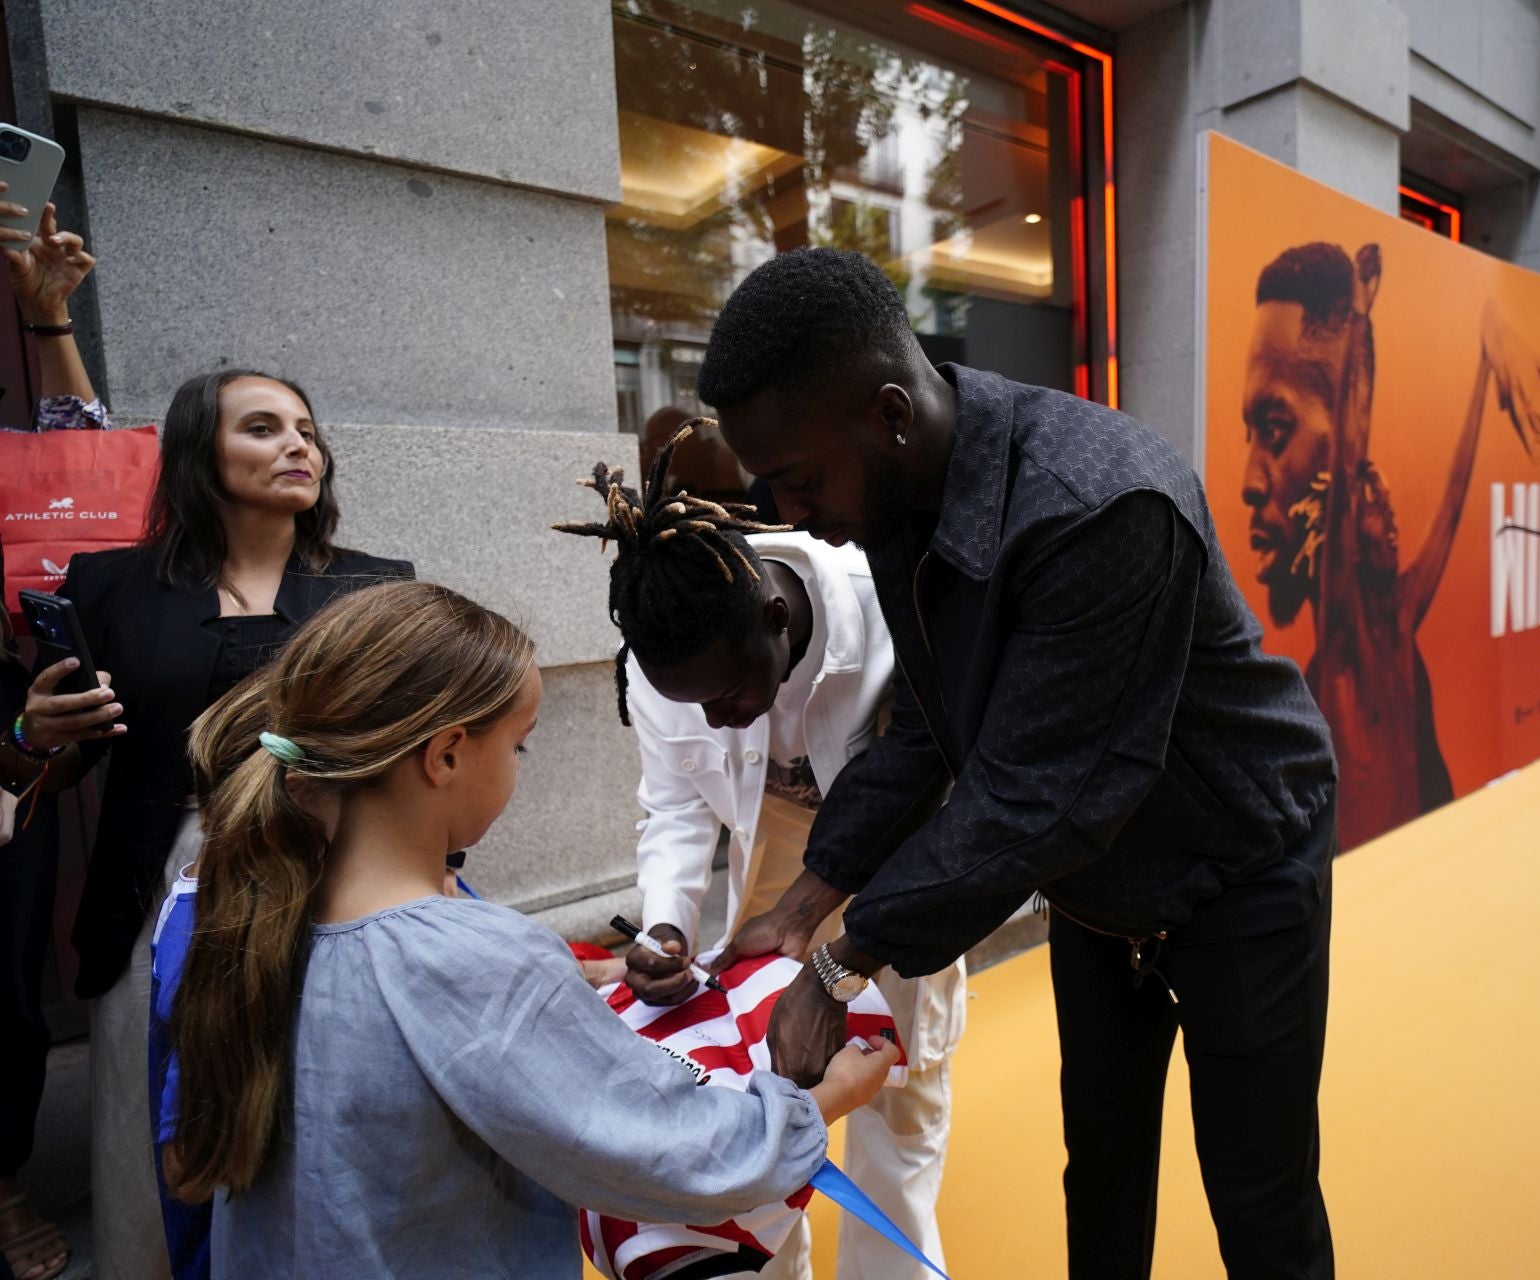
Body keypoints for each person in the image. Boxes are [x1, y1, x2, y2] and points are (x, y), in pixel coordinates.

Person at [699, 248, 1340, 1279]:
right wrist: (803, 899)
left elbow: (1034, 798)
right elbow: (926, 727)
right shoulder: (896, 501)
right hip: (1098, 882)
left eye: (799, 479)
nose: (789, 513)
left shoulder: (1100, 503)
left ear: (892, 414)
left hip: (1240, 860)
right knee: (1103, 1165)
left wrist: (838, 960)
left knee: (1259, 1194)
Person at [162, 581, 896, 1275]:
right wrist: (823, 1100)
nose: (518, 767)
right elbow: (664, 1149)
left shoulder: (257, 913)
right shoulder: (478, 961)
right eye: (519, 745)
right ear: (446, 755)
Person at [19, 361, 413, 1277]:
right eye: (263, 427)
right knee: (152, 1111)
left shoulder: (377, 592)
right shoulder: (107, 587)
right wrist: (28, 730)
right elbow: (54, 758)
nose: (296, 446)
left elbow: (409, 760)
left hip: (329, 874)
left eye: (307, 431)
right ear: (201, 451)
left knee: (315, 1099)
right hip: (160, 884)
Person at [555, 428, 965, 1280]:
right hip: (769, 883)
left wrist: (832, 956)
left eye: (732, 695)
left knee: (901, 1107)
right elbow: (671, 807)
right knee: (757, 1105)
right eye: (690, 704)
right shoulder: (666, 651)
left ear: (778, 619)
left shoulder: (889, 603)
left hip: (905, 876)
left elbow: (943, 792)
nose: (715, 720)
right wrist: (666, 927)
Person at [1239, 241, 1540, 849]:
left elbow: (1453, 495)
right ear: (1341, 528)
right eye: (1375, 506)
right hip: (1358, 865)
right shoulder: (1342, 640)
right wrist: (1362, 318)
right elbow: (1347, 451)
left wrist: (1484, 376)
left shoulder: (1399, 615)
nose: (1389, 520)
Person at [0, 188, 108, 1280]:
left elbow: (80, 483)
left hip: (7, 734)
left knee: (7, 960)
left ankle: (3, 1175)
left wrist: (48, 322)